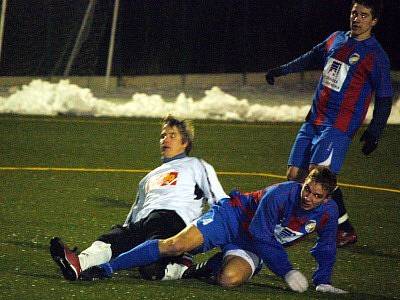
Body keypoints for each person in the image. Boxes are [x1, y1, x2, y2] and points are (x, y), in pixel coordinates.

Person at [80, 166, 347, 294]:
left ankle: (207, 266)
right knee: (175, 244)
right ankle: (108, 268)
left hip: (252, 244)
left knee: (228, 279)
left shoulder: (329, 213)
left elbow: (326, 245)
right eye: (307, 189)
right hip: (232, 218)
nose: (308, 197)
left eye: (317, 195)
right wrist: (286, 269)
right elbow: (261, 232)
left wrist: (322, 279)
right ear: (303, 184)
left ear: (327, 199)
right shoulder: (281, 194)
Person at [265, 0, 393, 247]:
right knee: (294, 176)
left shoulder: (376, 55)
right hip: (314, 119)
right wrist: (281, 70)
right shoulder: (337, 38)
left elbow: (385, 98)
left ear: (374, 21)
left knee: (317, 179)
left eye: (364, 15)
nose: (356, 19)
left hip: (338, 125)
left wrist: (374, 131)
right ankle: (341, 228)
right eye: (354, 13)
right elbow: (311, 57)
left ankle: (303, 228)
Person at [49, 115, 229, 281]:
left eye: (172, 135)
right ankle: (78, 264)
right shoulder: (148, 177)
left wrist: (208, 240)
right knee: (110, 241)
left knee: (150, 270)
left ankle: (182, 266)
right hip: (142, 223)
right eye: (162, 135)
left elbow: (220, 202)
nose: (165, 139)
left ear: (185, 142)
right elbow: (136, 210)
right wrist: (124, 231)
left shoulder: (197, 165)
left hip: (173, 222)